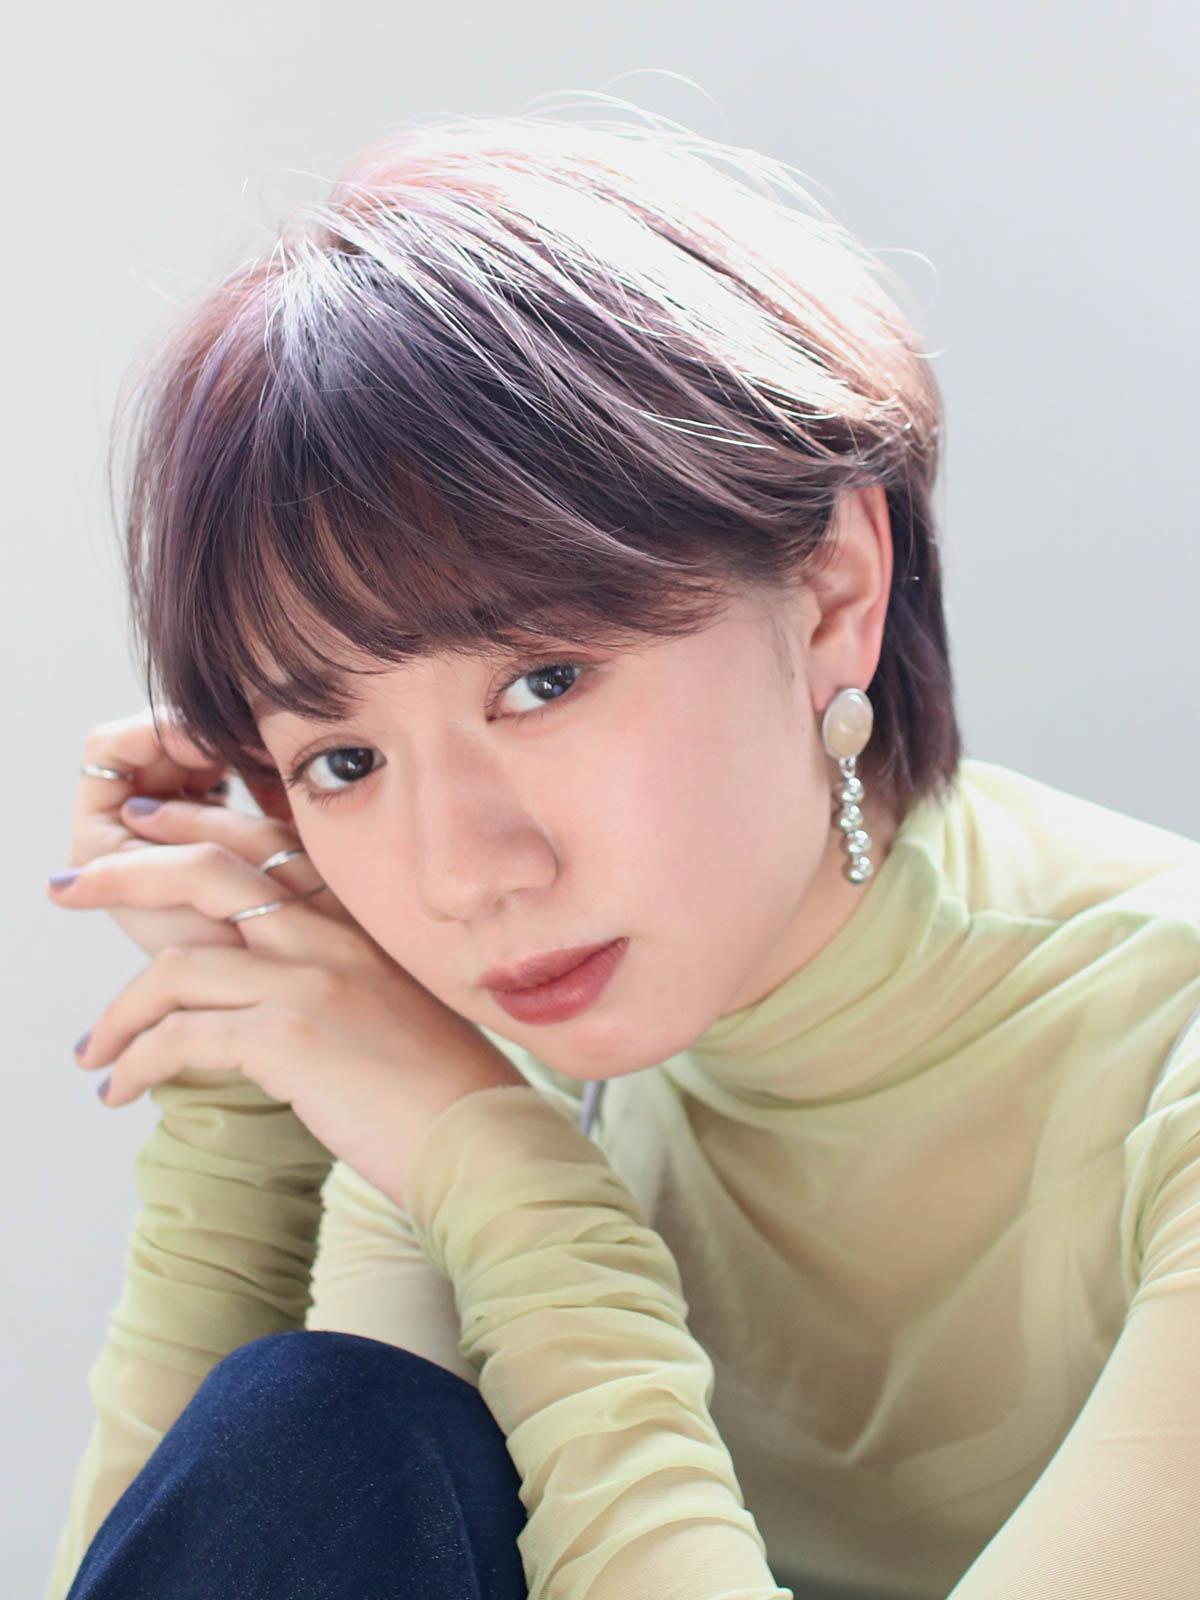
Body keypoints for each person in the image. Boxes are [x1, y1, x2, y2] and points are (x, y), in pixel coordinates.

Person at [45, 107, 1200, 1600]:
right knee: (315, 1432)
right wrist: (246, 1073)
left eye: (543, 681)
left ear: (834, 588)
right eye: (345, 761)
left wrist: (526, 1203)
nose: (465, 875)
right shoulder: (485, 1066)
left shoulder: (1165, 1052)